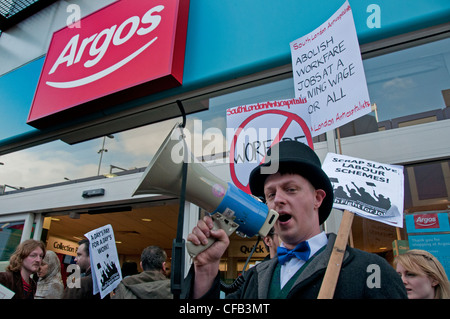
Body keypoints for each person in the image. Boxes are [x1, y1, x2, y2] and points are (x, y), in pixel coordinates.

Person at [186, 141, 407, 299]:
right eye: (270, 194)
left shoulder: (370, 270)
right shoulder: (254, 277)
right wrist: (206, 269)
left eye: (290, 189)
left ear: (317, 198)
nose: (277, 200)